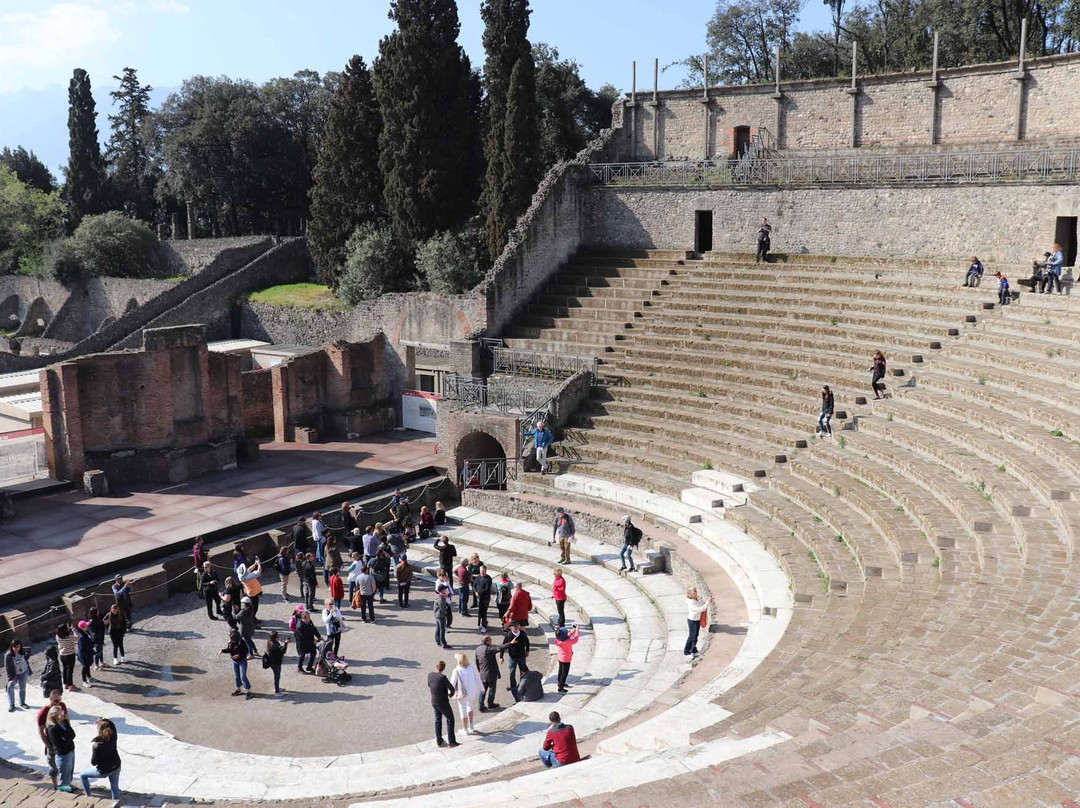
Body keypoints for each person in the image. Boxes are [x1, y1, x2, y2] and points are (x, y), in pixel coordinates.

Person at [79, 717, 121, 799]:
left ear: (99, 731)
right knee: (114, 787)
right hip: (116, 765)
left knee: (82, 775)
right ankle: (116, 802)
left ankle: (88, 795)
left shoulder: (97, 745)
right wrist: (103, 720)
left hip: (104, 770)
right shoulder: (113, 736)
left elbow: (93, 762)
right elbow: (112, 725)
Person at [475, 634, 513, 711]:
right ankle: (490, 703)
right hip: (491, 673)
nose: (491, 641)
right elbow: (500, 648)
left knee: (483, 690)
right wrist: (510, 643)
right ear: (487, 641)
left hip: (483, 673)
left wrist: (480, 671)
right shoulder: (489, 649)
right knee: (492, 689)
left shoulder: (478, 649)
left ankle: (480, 705)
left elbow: (477, 662)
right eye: (490, 640)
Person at [37, 690, 66, 789]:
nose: (58, 703)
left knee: (65, 764)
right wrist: (49, 746)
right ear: (50, 699)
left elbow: (66, 719)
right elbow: (41, 732)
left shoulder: (62, 706)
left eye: (60, 700)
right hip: (51, 742)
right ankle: (55, 786)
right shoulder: (43, 713)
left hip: (62, 741)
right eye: (56, 701)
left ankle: (65, 784)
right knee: (53, 766)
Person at [449, 652, 483, 735]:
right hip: (472, 692)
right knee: (470, 706)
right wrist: (482, 688)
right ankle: (471, 726)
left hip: (462, 693)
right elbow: (478, 679)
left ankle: (465, 729)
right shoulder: (472, 668)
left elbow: (452, 683)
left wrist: (449, 693)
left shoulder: (456, 670)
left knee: (462, 710)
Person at [428, 660, 460, 747]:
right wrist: (450, 694)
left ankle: (439, 740)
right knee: (450, 719)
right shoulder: (443, 677)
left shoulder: (430, 675)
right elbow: (451, 688)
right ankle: (452, 742)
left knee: (438, 720)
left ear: (436, 666)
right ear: (443, 669)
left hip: (434, 701)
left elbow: (429, 685)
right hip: (443, 702)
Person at [46, 704, 77, 791]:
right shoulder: (52, 728)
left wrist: (66, 738)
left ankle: (69, 784)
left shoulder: (64, 722)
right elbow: (58, 743)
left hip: (70, 749)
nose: (62, 715)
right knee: (64, 772)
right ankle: (65, 789)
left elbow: (73, 734)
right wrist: (67, 738)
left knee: (70, 770)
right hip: (63, 753)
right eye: (60, 714)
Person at [220, 628, 252, 699]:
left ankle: (248, 691)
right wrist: (222, 651)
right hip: (234, 661)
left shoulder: (241, 642)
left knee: (243, 676)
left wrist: (239, 655)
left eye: (230, 634)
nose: (228, 635)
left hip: (242, 661)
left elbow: (246, 651)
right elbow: (229, 649)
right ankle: (238, 689)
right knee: (236, 675)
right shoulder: (231, 642)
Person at [501, 621, 531, 697]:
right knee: (512, 673)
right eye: (514, 626)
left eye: (517, 626)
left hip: (522, 656)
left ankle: (522, 685)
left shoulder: (522, 633)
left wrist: (527, 650)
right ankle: (513, 686)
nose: (516, 627)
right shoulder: (508, 635)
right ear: (510, 627)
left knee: (523, 672)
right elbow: (503, 646)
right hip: (512, 658)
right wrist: (501, 656)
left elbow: (527, 642)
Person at [5, 639, 30, 711]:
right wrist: (11, 679)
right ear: (12, 647)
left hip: (24, 672)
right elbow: (7, 668)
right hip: (14, 674)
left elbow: (29, 650)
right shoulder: (8, 655)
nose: (17, 648)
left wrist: (26, 657)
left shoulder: (22, 651)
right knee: (10, 687)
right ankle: (11, 704)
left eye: (18, 647)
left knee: (22, 688)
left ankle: (22, 703)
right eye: (15, 647)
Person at [553, 625, 580, 693]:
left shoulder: (559, 640)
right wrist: (577, 630)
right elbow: (576, 639)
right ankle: (560, 688)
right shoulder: (568, 642)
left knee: (560, 671)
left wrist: (573, 630)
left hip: (560, 657)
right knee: (564, 674)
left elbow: (568, 635)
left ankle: (559, 682)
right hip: (566, 659)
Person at [264, 630, 289, 696]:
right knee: (277, 677)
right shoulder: (275, 645)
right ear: (275, 637)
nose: (278, 636)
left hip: (272, 662)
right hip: (276, 663)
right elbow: (282, 651)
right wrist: (286, 644)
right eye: (277, 635)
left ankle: (277, 688)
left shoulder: (270, 642)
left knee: (276, 676)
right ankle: (277, 692)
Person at [685, 587, 708, 657]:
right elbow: (699, 609)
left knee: (695, 635)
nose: (696, 593)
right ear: (691, 594)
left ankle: (693, 649)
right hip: (692, 620)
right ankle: (687, 652)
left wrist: (706, 603)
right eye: (694, 592)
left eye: (696, 591)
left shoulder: (697, 598)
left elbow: (702, 604)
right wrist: (707, 603)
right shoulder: (690, 602)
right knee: (692, 636)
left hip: (697, 619)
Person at [55, 622, 78, 692]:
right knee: (70, 670)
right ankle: (71, 685)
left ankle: (65, 684)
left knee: (65, 669)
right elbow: (77, 637)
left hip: (62, 655)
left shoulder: (57, 636)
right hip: (70, 654)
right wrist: (73, 629)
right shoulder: (70, 637)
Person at [75, 621, 95, 688]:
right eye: (86, 626)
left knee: (87, 666)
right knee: (85, 667)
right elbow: (82, 647)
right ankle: (84, 681)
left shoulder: (85, 632)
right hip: (84, 654)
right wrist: (92, 645)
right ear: (82, 627)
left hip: (88, 653)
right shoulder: (81, 637)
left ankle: (89, 677)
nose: (87, 626)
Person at [473, 566, 493, 632]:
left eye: (483, 571)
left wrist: (479, 593)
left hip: (485, 598)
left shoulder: (488, 579)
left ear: (486, 571)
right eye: (481, 571)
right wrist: (476, 591)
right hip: (479, 598)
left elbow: (486, 589)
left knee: (484, 612)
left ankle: (484, 626)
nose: (482, 572)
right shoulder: (478, 577)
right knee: (480, 611)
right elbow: (474, 585)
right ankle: (482, 623)